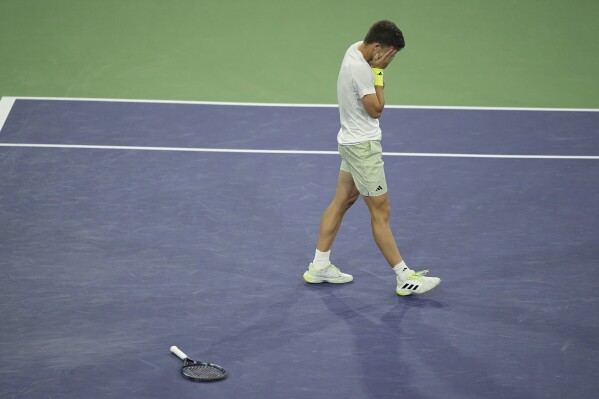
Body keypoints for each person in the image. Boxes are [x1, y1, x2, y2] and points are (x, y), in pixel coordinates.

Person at [303, 20, 440, 296]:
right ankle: (404, 277)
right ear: (377, 47)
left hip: (349, 142)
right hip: (363, 149)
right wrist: (378, 72)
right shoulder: (362, 69)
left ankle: (319, 266)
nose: (391, 59)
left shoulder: (354, 48)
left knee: (342, 200)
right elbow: (376, 109)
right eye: (390, 53)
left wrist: (375, 66)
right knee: (381, 212)